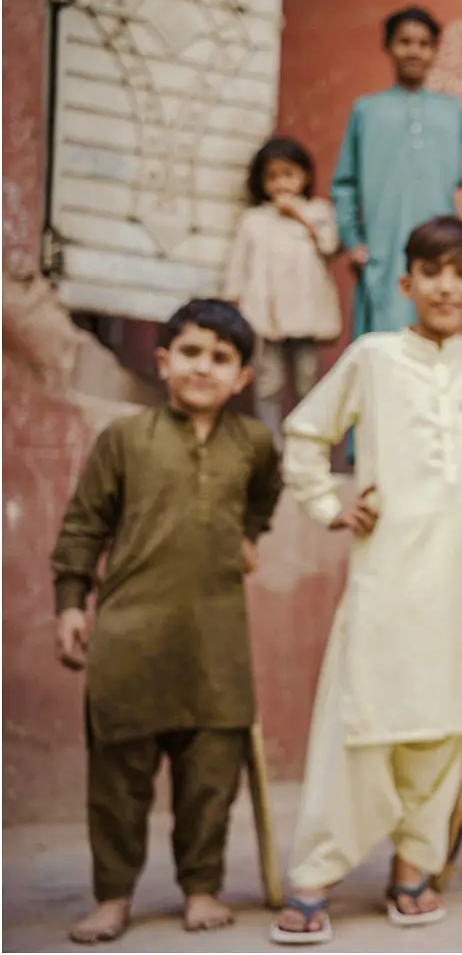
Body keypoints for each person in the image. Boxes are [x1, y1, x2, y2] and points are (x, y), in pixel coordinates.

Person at [270, 217, 462, 945]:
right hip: (392, 574)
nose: (447, 286)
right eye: (431, 272)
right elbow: (307, 434)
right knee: (363, 718)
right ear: (406, 283)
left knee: (447, 724)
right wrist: (328, 506)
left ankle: (414, 868)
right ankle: (314, 873)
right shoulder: (373, 357)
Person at [50, 300, 283, 944]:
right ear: (163, 362)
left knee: (210, 778)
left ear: (242, 378)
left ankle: (201, 888)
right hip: (130, 637)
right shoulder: (125, 440)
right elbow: (83, 524)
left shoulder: (254, 445)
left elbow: (267, 490)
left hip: (216, 644)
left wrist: (250, 533)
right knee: (118, 780)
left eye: (220, 358)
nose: (202, 367)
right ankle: (114, 896)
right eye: (190, 352)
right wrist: (71, 600)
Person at [332, 5, 462, 340]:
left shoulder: (452, 110)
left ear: (435, 51)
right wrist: (352, 241)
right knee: (383, 337)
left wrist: (459, 176)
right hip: (383, 244)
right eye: (405, 42)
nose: (414, 51)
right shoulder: (367, 110)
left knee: (437, 323)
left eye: (424, 44)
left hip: (440, 239)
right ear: (389, 47)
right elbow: (345, 183)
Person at [225, 136, 343, 446]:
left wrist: (299, 217)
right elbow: (238, 263)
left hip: (305, 314)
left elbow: (330, 246)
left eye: (289, 175)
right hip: (266, 314)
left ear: (304, 177)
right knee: (268, 382)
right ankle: (271, 446)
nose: (281, 184)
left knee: (307, 381)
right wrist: (232, 301)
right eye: (273, 176)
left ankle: (306, 444)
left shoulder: (318, 212)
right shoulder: (253, 220)